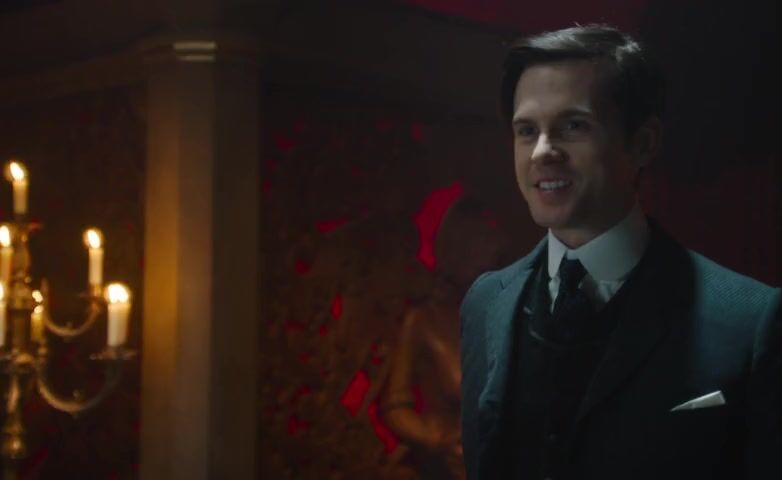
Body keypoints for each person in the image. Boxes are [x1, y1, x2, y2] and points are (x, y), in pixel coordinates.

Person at [459, 24, 781, 480]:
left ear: (643, 143)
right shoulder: (484, 303)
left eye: (573, 126)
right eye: (527, 130)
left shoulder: (751, 320)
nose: (542, 152)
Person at [379, 196, 507, 479]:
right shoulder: (423, 322)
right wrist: (434, 437)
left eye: (495, 259)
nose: (490, 266)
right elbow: (395, 406)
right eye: (481, 256)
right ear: (459, 253)